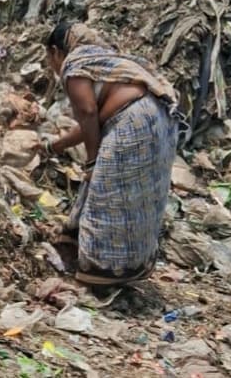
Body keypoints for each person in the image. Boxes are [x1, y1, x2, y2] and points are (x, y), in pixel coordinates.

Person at [41, 22, 180, 286]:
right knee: (136, 199)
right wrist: (54, 146)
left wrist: (92, 162)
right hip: (158, 120)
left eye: (49, 58)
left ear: (57, 51)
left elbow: (89, 114)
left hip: (134, 122)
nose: (52, 64)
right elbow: (92, 123)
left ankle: (103, 270)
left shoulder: (75, 66)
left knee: (107, 194)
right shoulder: (104, 63)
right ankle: (128, 265)